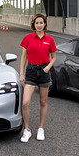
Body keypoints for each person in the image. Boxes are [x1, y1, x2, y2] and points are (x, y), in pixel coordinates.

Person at [18, 13, 57, 142]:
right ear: (33, 25)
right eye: (37, 23)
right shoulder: (28, 38)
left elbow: (54, 57)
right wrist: (22, 74)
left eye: (41, 23)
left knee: (43, 102)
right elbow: (24, 56)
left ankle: (41, 128)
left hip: (44, 71)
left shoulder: (49, 39)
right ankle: (26, 130)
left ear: (45, 24)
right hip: (31, 71)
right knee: (25, 103)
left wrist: (48, 67)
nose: (39, 25)